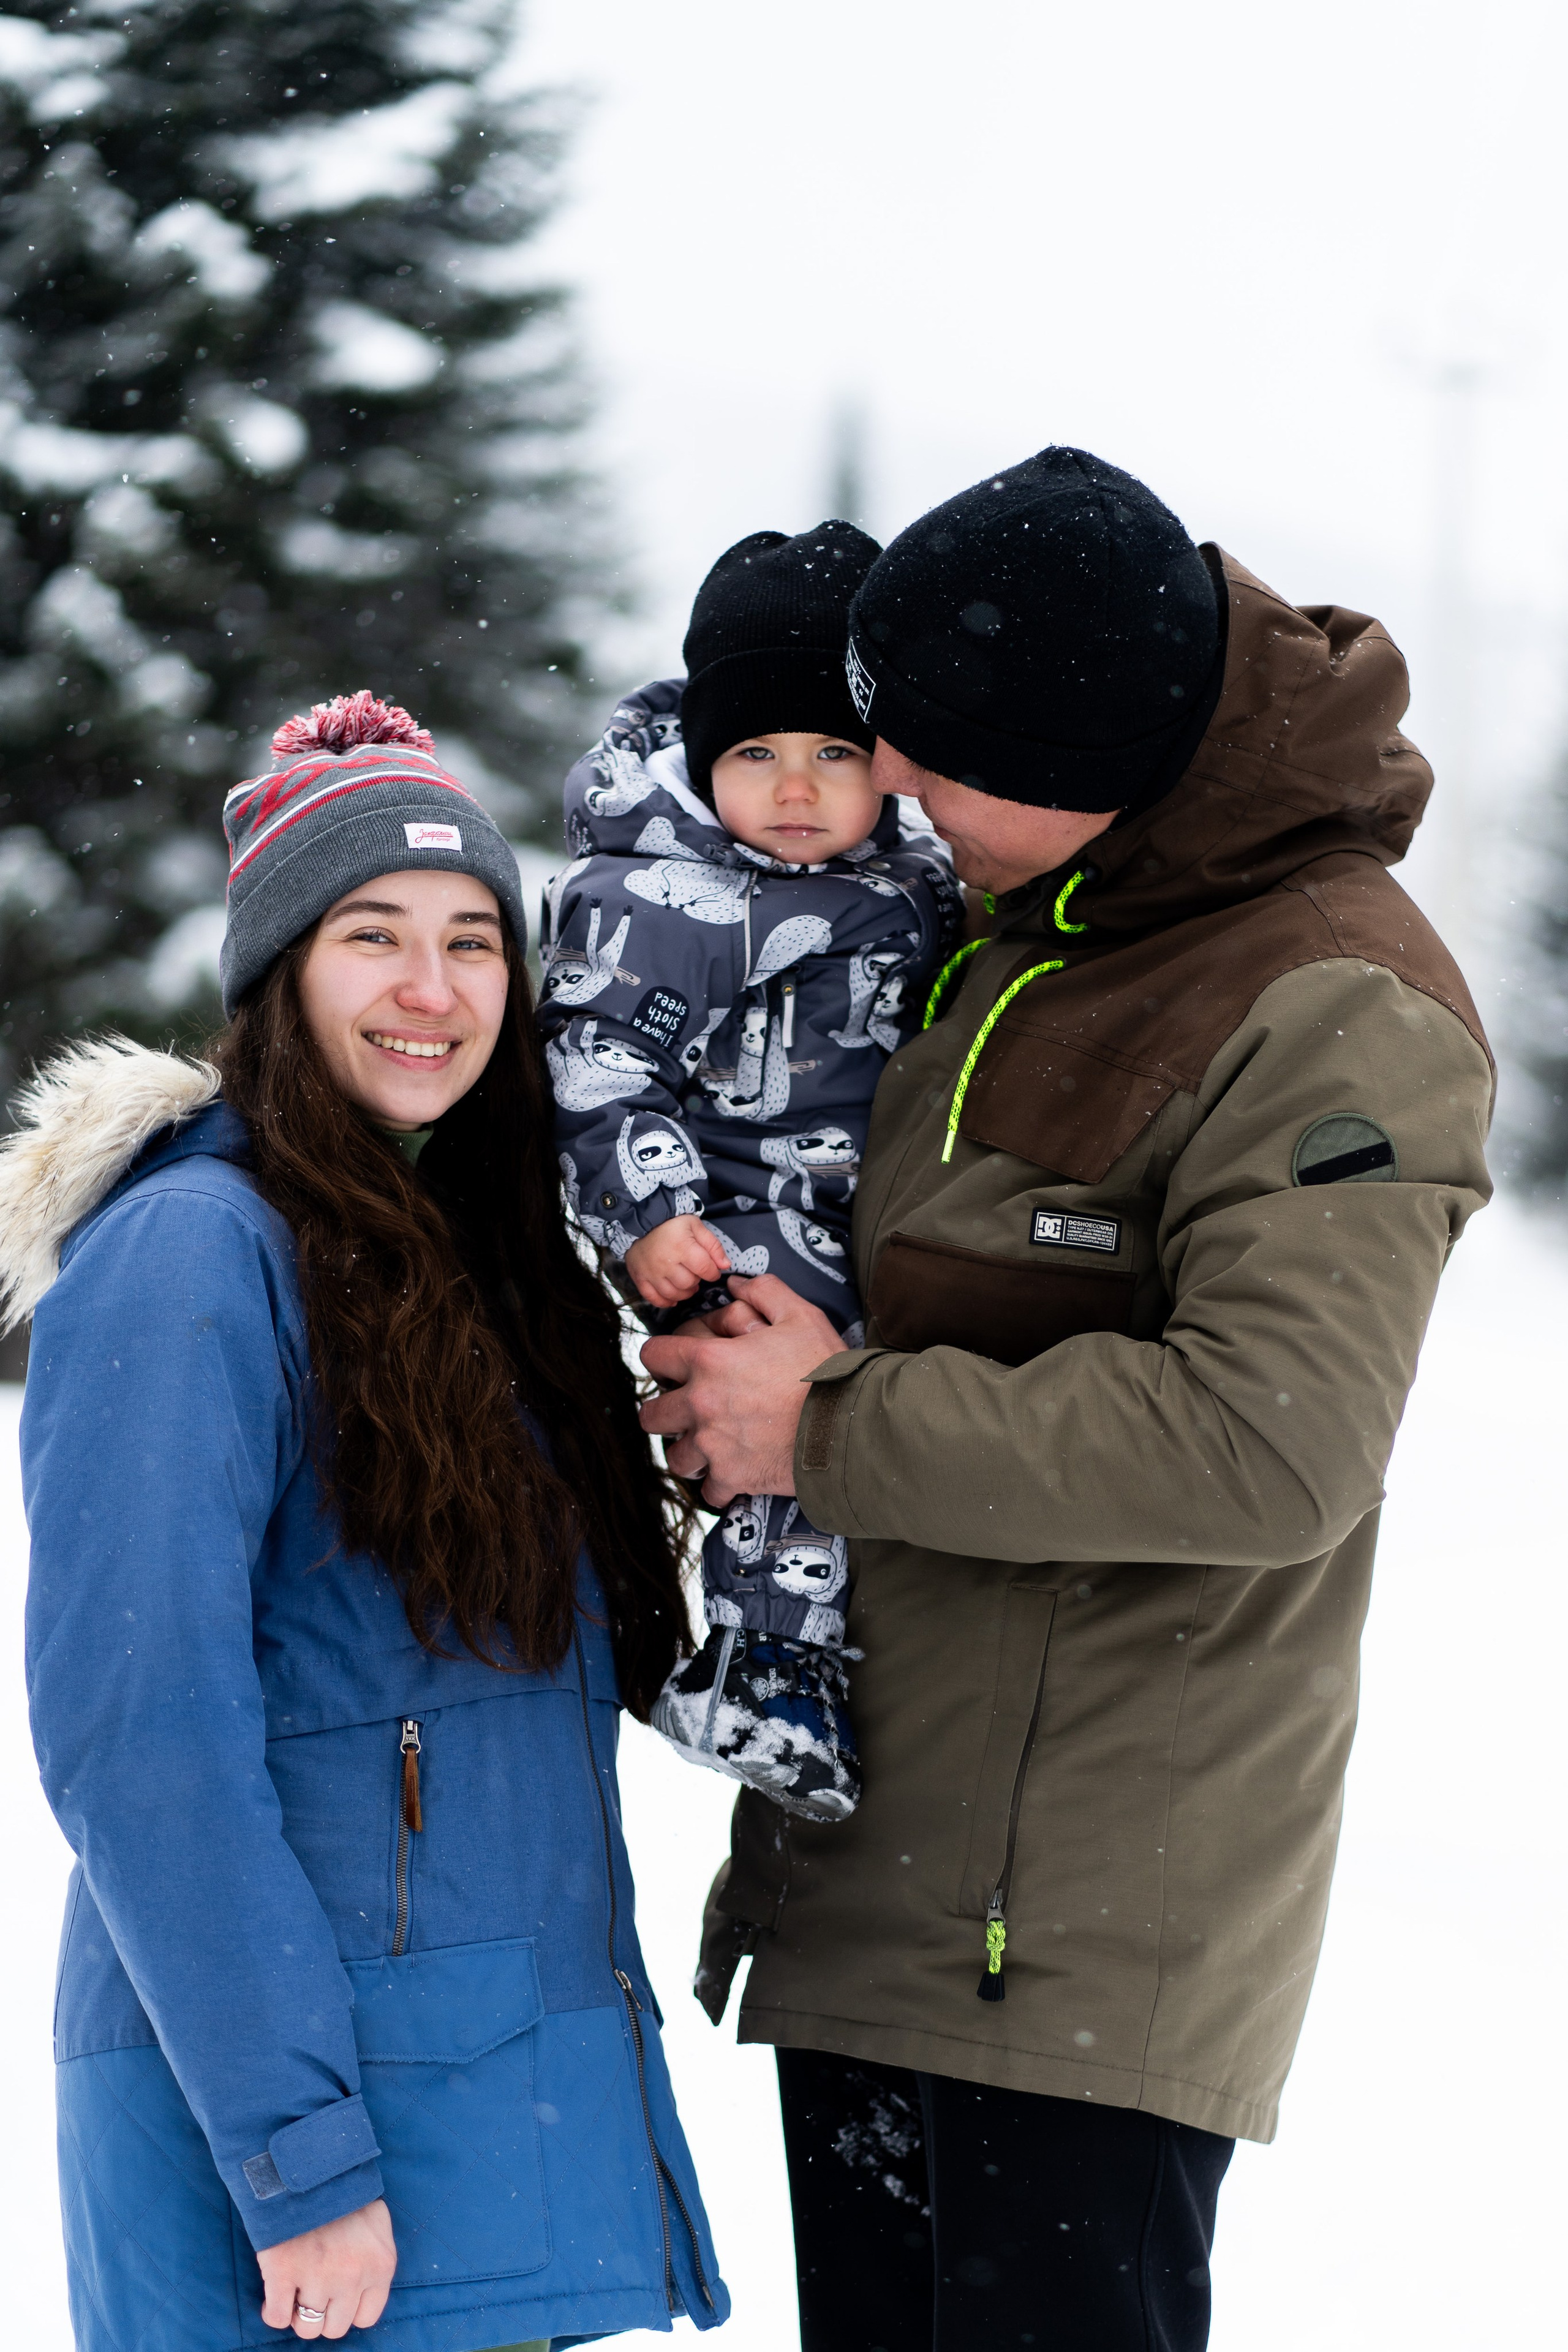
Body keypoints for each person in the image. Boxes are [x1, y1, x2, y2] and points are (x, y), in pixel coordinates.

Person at [641, 450, 1494, 2350]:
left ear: (1089, 745)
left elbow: (1273, 1443)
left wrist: (828, 1426)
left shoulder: (1332, 1001)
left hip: (1075, 1942)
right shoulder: (1012, 926)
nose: (900, 797)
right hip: (884, 1876)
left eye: (937, 757)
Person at [4, 693, 727, 2352]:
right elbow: (142, 1734)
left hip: (466, 2127)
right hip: (308, 2152)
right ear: (279, 973)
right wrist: (302, 2157)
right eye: (373, 936)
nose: (434, 988)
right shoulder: (197, 1250)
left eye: (476, 940)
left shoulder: (461, 1274)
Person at [539, 523, 957, 1823]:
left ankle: (805, 1663)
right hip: (739, 1217)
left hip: (860, 1209)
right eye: (756, 754)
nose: (795, 788)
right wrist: (653, 1216)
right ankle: (762, 1669)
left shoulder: (915, 877)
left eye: (835, 753)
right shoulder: (667, 898)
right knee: (786, 1441)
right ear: (701, 760)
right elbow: (597, 1058)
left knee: (852, 1428)